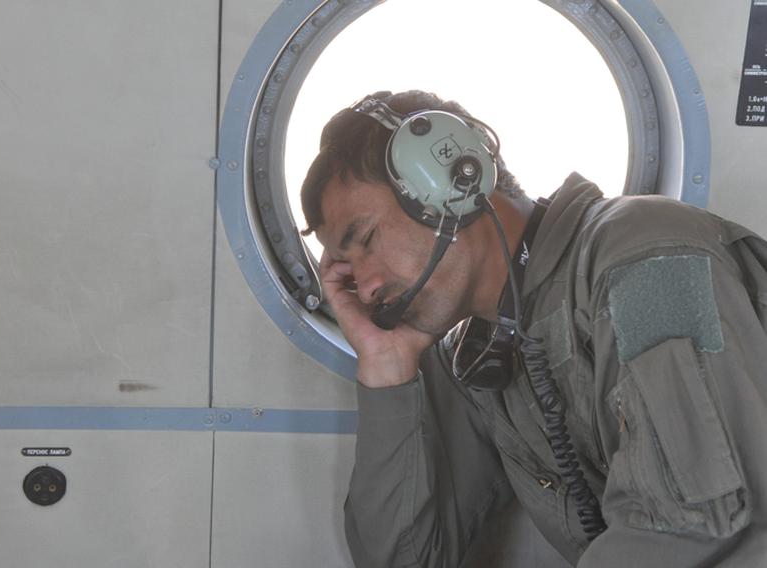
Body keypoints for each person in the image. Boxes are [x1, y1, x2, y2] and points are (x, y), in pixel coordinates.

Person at [300, 89, 767, 567]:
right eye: (350, 272)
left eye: (367, 239)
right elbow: (402, 559)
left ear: (451, 183)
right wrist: (386, 366)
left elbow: (697, 524)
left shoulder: (646, 255)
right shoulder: (478, 356)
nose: (369, 287)